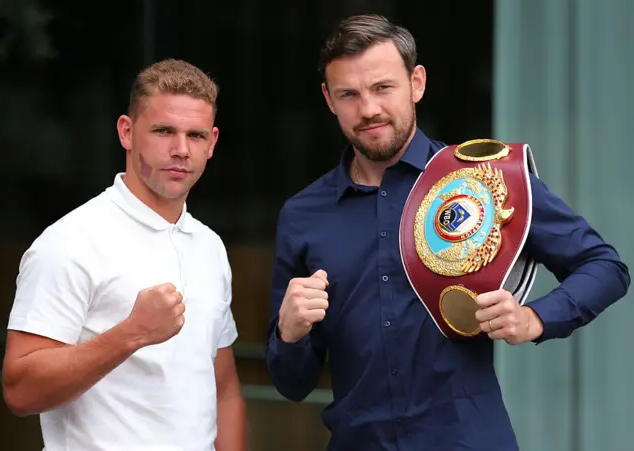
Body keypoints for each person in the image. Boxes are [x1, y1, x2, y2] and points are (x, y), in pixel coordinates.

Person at [265, 14, 630, 451]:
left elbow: (606, 267)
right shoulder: (303, 215)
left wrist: (534, 319)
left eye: (383, 88)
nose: (368, 110)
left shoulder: (488, 180)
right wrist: (290, 333)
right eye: (349, 94)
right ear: (328, 99)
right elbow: (292, 384)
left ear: (416, 83)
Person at [3, 59, 247, 451]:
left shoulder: (209, 246)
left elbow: (223, 388)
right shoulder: (70, 242)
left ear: (213, 142)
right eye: (164, 130)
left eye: (196, 135)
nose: (181, 149)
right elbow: (20, 391)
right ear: (127, 132)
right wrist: (132, 333)